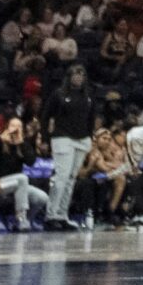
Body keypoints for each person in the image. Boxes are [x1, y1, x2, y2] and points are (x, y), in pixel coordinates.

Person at [45, 60, 96, 230]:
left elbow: (91, 119)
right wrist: (46, 138)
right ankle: (50, 215)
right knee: (61, 177)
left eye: (81, 74)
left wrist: (89, 137)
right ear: (69, 76)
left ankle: (62, 214)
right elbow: (46, 116)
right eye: (75, 73)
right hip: (62, 138)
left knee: (71, 179)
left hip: (81, 140)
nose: (78, 77)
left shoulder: (88, 96)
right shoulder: (58, 94)